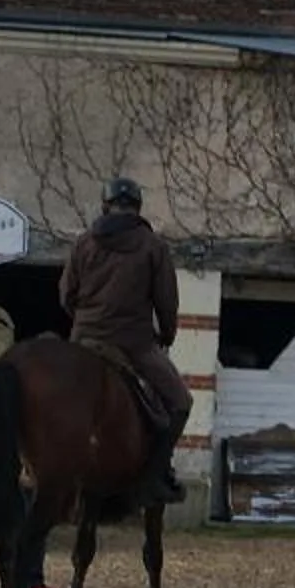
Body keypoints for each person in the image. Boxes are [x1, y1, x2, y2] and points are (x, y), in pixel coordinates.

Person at [60, 175, 190, 512]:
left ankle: (30, 467)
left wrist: (85, 322)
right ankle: (156, 473)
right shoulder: (153, 247)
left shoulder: (84, 243)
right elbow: (166, 302)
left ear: (106, 205)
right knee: (180, 402)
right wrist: (167, 336)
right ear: (137, 207)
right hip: (132, 343)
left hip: (84, 341)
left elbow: (66, 296)